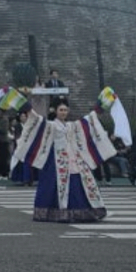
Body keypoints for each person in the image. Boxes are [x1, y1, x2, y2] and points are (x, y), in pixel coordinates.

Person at [14, 93, 116, 222]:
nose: (63, 112)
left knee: (83, 183)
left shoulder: (72, 125)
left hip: (73, 158)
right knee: (54, 186)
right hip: (57, 159)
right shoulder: (51, 125)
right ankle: (57, 213)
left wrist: (99, 107)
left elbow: (88, 119)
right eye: (61, 110)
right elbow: (37, 120)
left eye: (65, 110)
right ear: (55, 111)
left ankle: (84, 211)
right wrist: (27, 107)